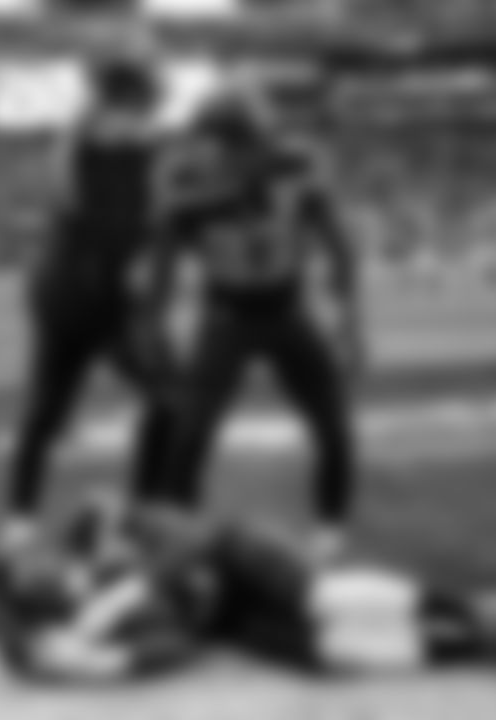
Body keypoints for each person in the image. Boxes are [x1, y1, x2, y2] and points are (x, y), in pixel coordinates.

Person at [0, 494, 496, 682]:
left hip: (237, 552)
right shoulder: (69, 624)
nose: (35, 571)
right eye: (23, 579)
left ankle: (470, 608)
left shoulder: (103, 530)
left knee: (321, 600)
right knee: (326, 655)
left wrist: (123, 593)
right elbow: (181, 646)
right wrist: (105, 661)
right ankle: (479, 644)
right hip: (227, 617)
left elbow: (195, 539)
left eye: (29, 562)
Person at [147, 94, 364, 563]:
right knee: (190, 431)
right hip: (226, 315)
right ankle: (180, 535)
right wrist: (156, 325)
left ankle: (329, 532)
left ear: (253, 143)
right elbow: (163, 257)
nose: (215, 157)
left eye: (227, 146)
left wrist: (350, 323)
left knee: (332, 423)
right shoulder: (187, 178)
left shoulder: (296, 166)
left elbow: (340, 246)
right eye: (212, 146)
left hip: (287, 310)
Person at [0, 52, 178, 557]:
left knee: (171, 401)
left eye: (146, 108)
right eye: (137, 105)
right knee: (46, 414)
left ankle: (145, 514)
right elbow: (74, 168)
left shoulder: (149, 154)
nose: (145, 118)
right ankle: (19, 518)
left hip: (118, 302)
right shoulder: (81, 147)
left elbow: (157, 219)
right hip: (68, 299)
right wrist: (103, 97)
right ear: (110, 105)